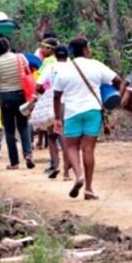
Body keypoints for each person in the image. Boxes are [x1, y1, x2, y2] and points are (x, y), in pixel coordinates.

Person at [52, 37, 121, 200]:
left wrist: (57, 117)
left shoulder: (64, 69)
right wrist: (110, 93)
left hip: (72, 112)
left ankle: (79, 175)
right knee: (88, 149)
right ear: (85, 49)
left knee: (71, 147)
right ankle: (89, 189)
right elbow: (117, 80)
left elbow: (56, 96)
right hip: (93, 111)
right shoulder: (96, 65)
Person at [0, 38, 36, 170]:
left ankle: (14, 162)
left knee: (9, 129)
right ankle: (28, 154)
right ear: (9, 46)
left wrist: (0, 80)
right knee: (23, 125)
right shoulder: (20, 58)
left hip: (5, 97)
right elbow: (27, 73)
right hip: (21, 95)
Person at [29, 38, 60, 155]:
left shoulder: (48, 62)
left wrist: (42, 91)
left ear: (50, 49)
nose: (41, 50)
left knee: (49, 122)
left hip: (50, 95)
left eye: (44, 48)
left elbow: (42, 80)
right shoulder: (61, 60)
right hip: (62, 94)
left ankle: (54, 156)